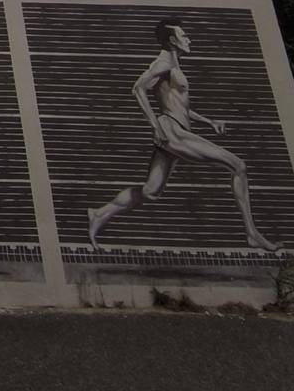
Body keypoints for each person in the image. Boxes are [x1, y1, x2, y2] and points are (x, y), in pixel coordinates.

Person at [87, 21, 279, 252]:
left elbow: (179, 107)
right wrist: (155, 126)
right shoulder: (164, 63)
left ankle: (99, 213)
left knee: (150, 191)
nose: (189, 39)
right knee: (238, 165)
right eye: (184, 35)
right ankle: (252, 233)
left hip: (176, 127)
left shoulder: (174, 65)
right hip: (172, 131)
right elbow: (138, 88)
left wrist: (209, 122)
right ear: (172, 40)